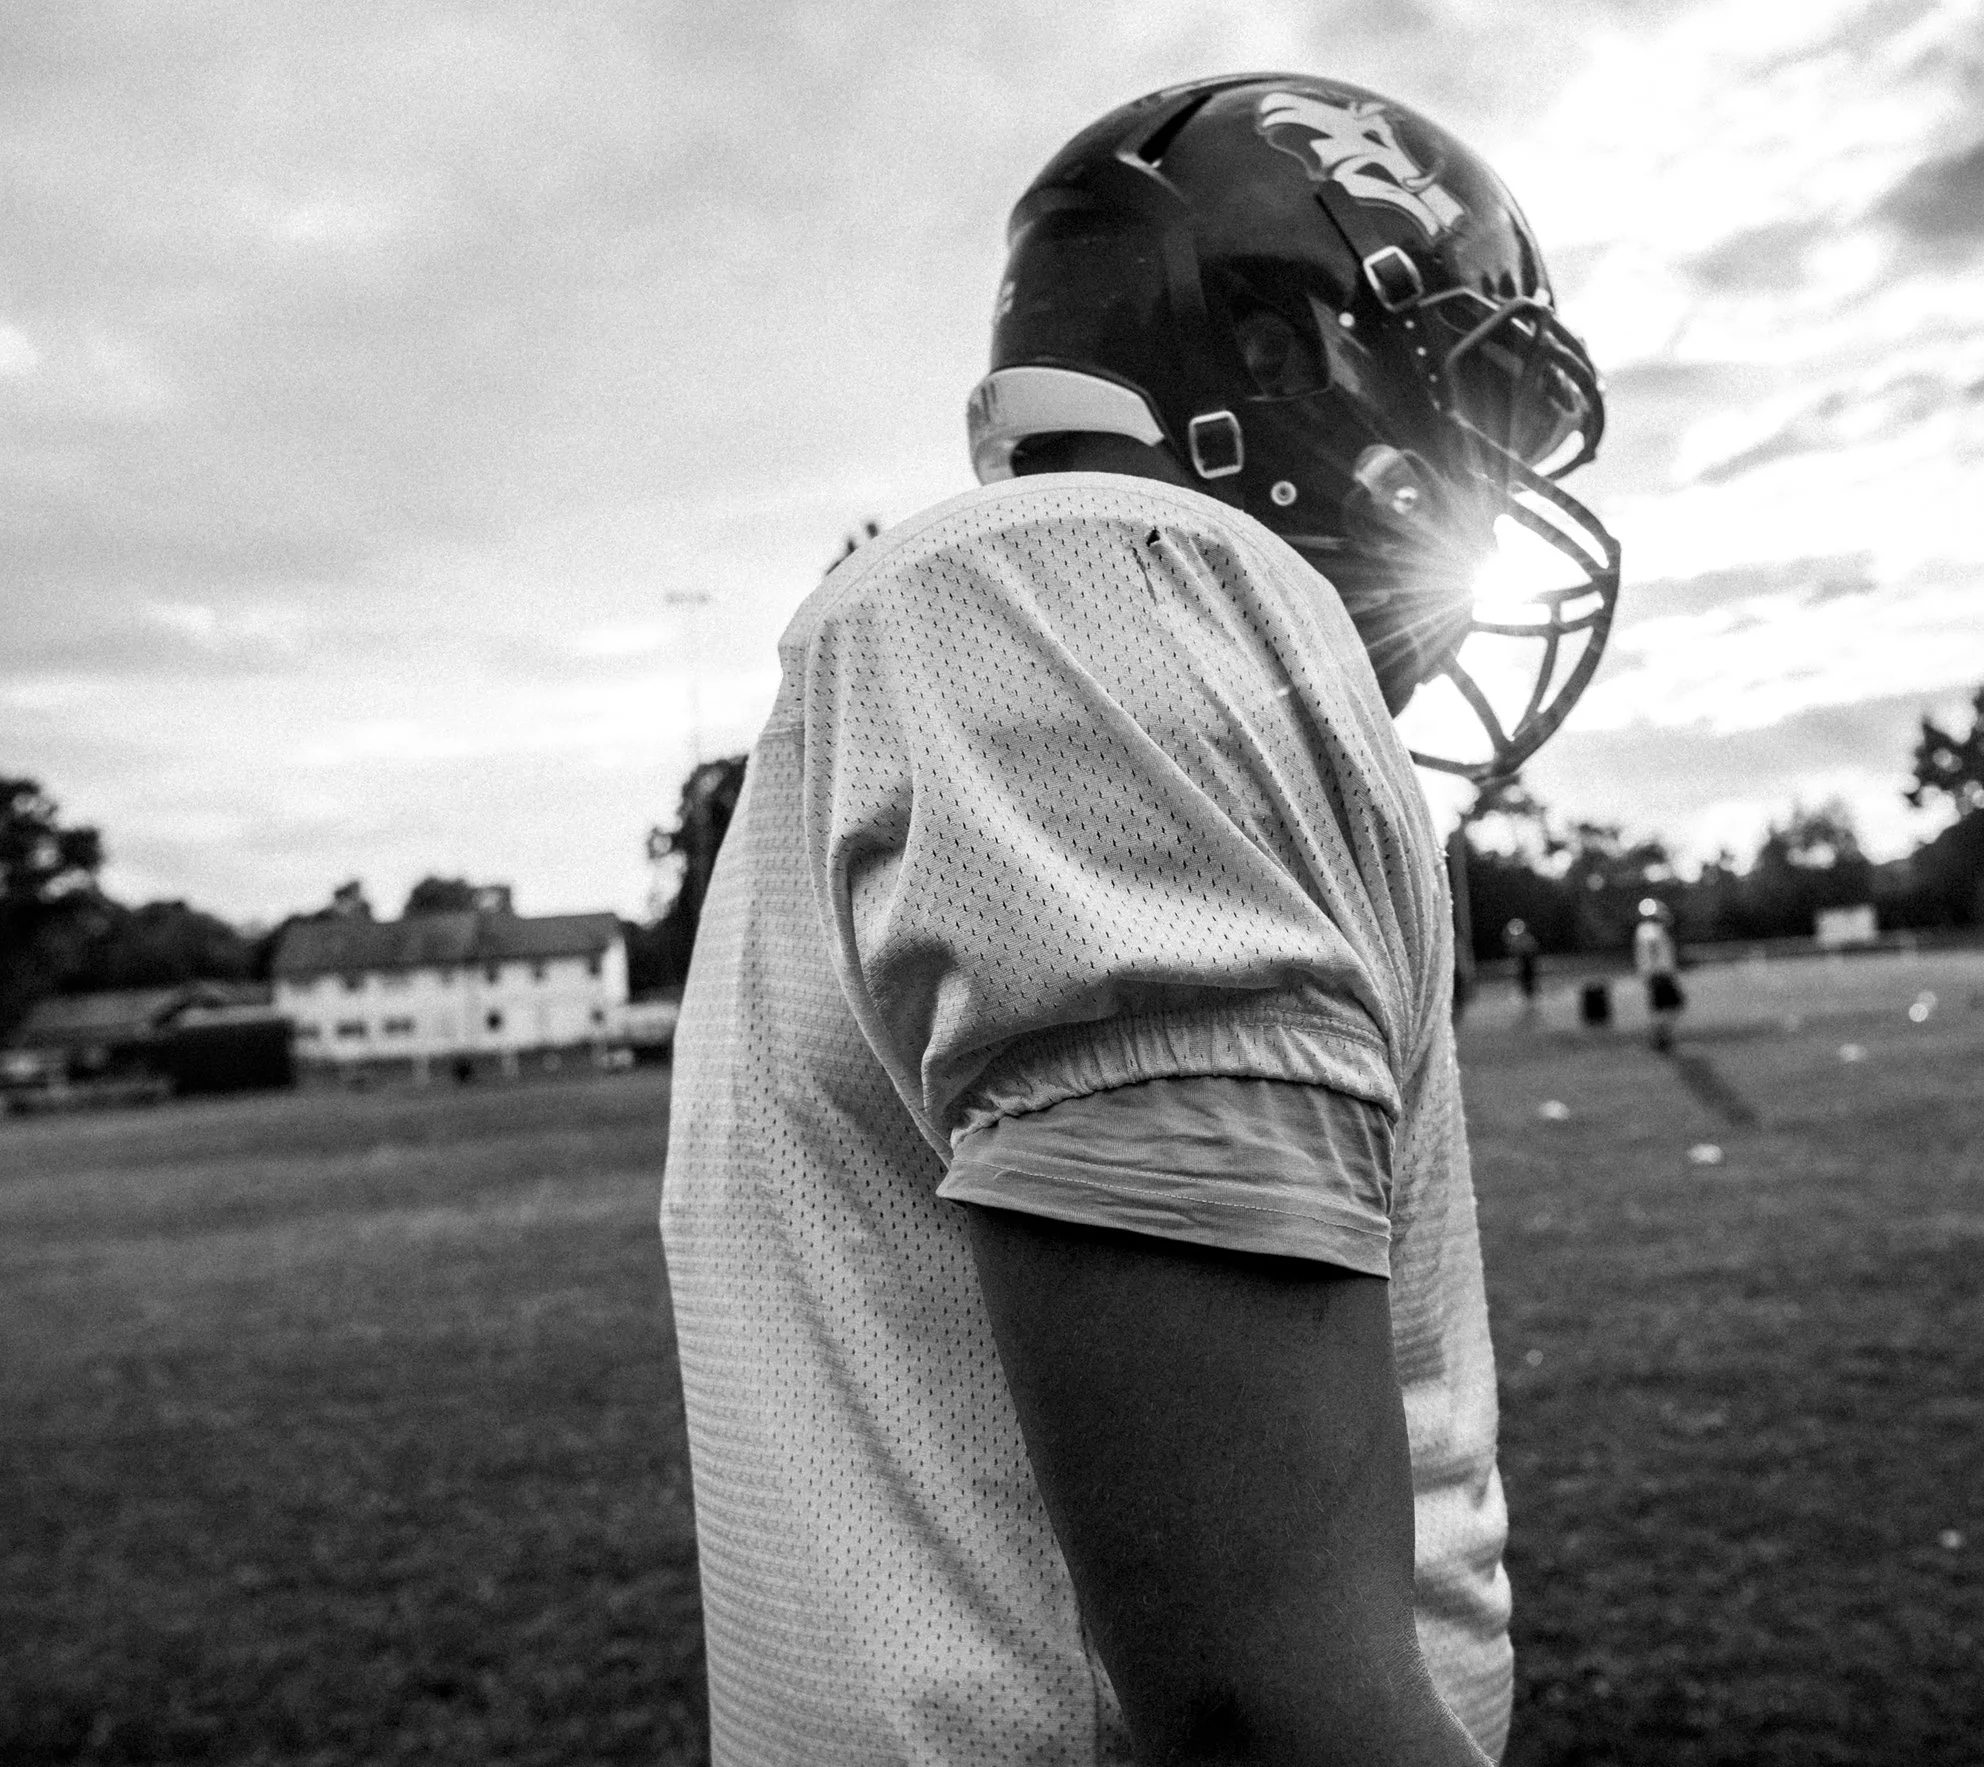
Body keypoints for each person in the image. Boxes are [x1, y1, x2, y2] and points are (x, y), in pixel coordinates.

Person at [660, 75, 1622, 1767]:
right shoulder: (1103, 630)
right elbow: (1258, 1709)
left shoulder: (1009, 663)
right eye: (1473, 413)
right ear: (1271, 355)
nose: (1493, 486)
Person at [1632, 897, 1683, 1052]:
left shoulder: (1645, 929)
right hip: (1659, 974)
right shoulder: (1651, 930)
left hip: (1655, 974)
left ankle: (1661, 1037)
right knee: (1669, 1006)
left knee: (1664, 1008)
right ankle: (1659, 1037)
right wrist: (1656, 970)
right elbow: (1653, 948)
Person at [1502, 916, 1542, 1006]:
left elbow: (1532, 948)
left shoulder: (1527, 938)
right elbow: (1513, 950)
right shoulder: (1517, 939)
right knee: (1523, 978)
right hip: (1522, 962)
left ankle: (1530, 996)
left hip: (1527, 961)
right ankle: (1527, 995)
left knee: (1528, 978)